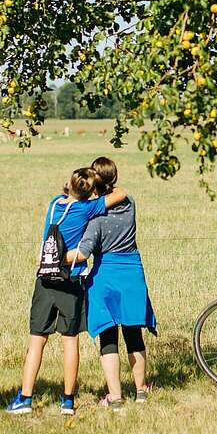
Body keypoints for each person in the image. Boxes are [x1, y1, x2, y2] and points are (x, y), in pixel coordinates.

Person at [7, 168, 128, 416]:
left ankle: (26, 397)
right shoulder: (87, 209)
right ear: (90, 192)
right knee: (70, 340)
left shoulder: (54, 205)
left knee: (37, 340)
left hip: (45, 280)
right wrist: (100, 191)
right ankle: (68, 400)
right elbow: (121, 195)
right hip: (71, 279)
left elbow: (66, 193)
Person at [66, 157, 156, 412]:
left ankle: (115, 396)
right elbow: (120, 194)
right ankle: (141, 390)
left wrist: (56, 256)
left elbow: (84, 252)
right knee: (133, 333)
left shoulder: (95, 213)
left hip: (105, 276)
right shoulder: (130, 203)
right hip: (132, 273)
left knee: (108, 336)